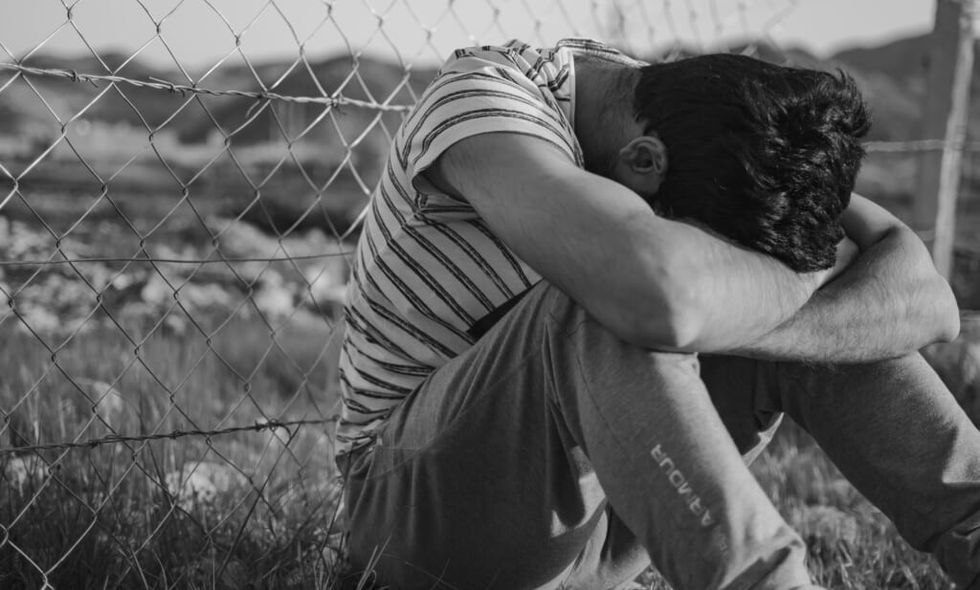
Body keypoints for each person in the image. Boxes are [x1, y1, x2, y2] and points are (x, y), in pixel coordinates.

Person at [335, 38, 974, 590]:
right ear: (644, 162)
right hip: (416, 516)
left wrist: (766, 301)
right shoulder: (482, 105)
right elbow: (655, 292)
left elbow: (927, 300)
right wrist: (763, 289)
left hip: (600, 516)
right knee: (617, 294)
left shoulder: (720, 127)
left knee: (800, 292)